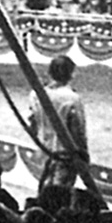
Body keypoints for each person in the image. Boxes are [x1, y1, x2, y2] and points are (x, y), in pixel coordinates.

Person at [25, 55, 86, 187]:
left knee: (45, 189)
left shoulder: (35, 94)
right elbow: (78, 129)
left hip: (43, 150)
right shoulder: (72, 98)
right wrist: (83, 152)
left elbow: (32, 123)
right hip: (65, 154)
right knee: (61, 193)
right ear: (71, 74)